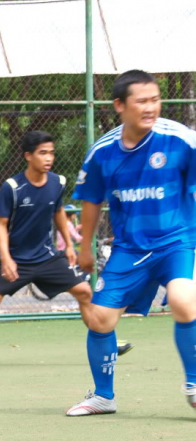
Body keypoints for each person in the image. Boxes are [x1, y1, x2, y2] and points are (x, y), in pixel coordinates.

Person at [66, 70, 196, 416]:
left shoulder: (181, 139)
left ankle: (194, 385)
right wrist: (84, 246)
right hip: (130, 248)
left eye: (155, 99)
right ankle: (103, 397)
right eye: (142, 101)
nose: (151, 107)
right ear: (120, 105)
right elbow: (91, 199)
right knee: (99, 319)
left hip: (176, 242)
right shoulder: (103, 152)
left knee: (184, 302)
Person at [0, 130, 94, 370]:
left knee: (84, 292)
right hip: (15, 258)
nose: (49, 158)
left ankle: (105, 342)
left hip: (46, 257)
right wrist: (5, 258)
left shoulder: (58, 182)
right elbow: (1, 224)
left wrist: (68, 245)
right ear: (28, 156)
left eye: (51, 153)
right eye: (42, 153)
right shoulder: (13, 187)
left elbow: (58, 212)